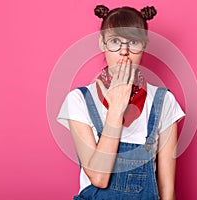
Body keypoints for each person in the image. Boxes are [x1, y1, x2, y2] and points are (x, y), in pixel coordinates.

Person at [57, 5, 185, 200]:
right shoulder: (79, 100)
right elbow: (99, 177)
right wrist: (116, 109)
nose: (124, 51)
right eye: (115, 41)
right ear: (102, 44)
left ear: (144, 45)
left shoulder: (164, 101)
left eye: (133, 41)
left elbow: (167, 190)